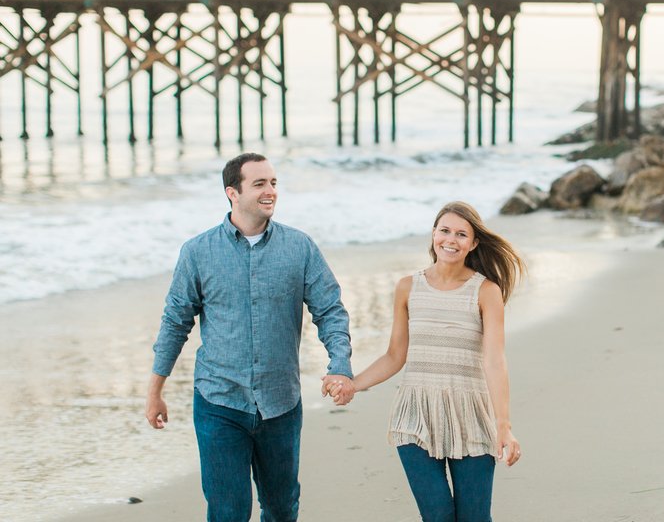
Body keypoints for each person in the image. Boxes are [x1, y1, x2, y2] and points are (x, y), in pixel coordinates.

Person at [145, 152, 355, 522]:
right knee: (228, 512)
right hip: (219, 402)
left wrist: (340, 365)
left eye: (273, 183)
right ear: (233, 192)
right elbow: (175, 322)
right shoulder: (198, 252)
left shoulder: (299, 247)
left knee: (281, 508)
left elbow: (330, 310)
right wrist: (155, 392)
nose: (270, 190)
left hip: (280, 403)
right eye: (259, 184)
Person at [325, 200, 523, 522]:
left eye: (461, 234)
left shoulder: (486, 292)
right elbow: (394, 355)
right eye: (444, 230)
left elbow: (495, 361)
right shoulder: (408, 287)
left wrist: (504, 426)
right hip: (415, 416)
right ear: (433, 234)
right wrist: (353, 384)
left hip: (470, 415)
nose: (450, 240)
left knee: (474, 517)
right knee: (438, 516)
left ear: (473, 243)